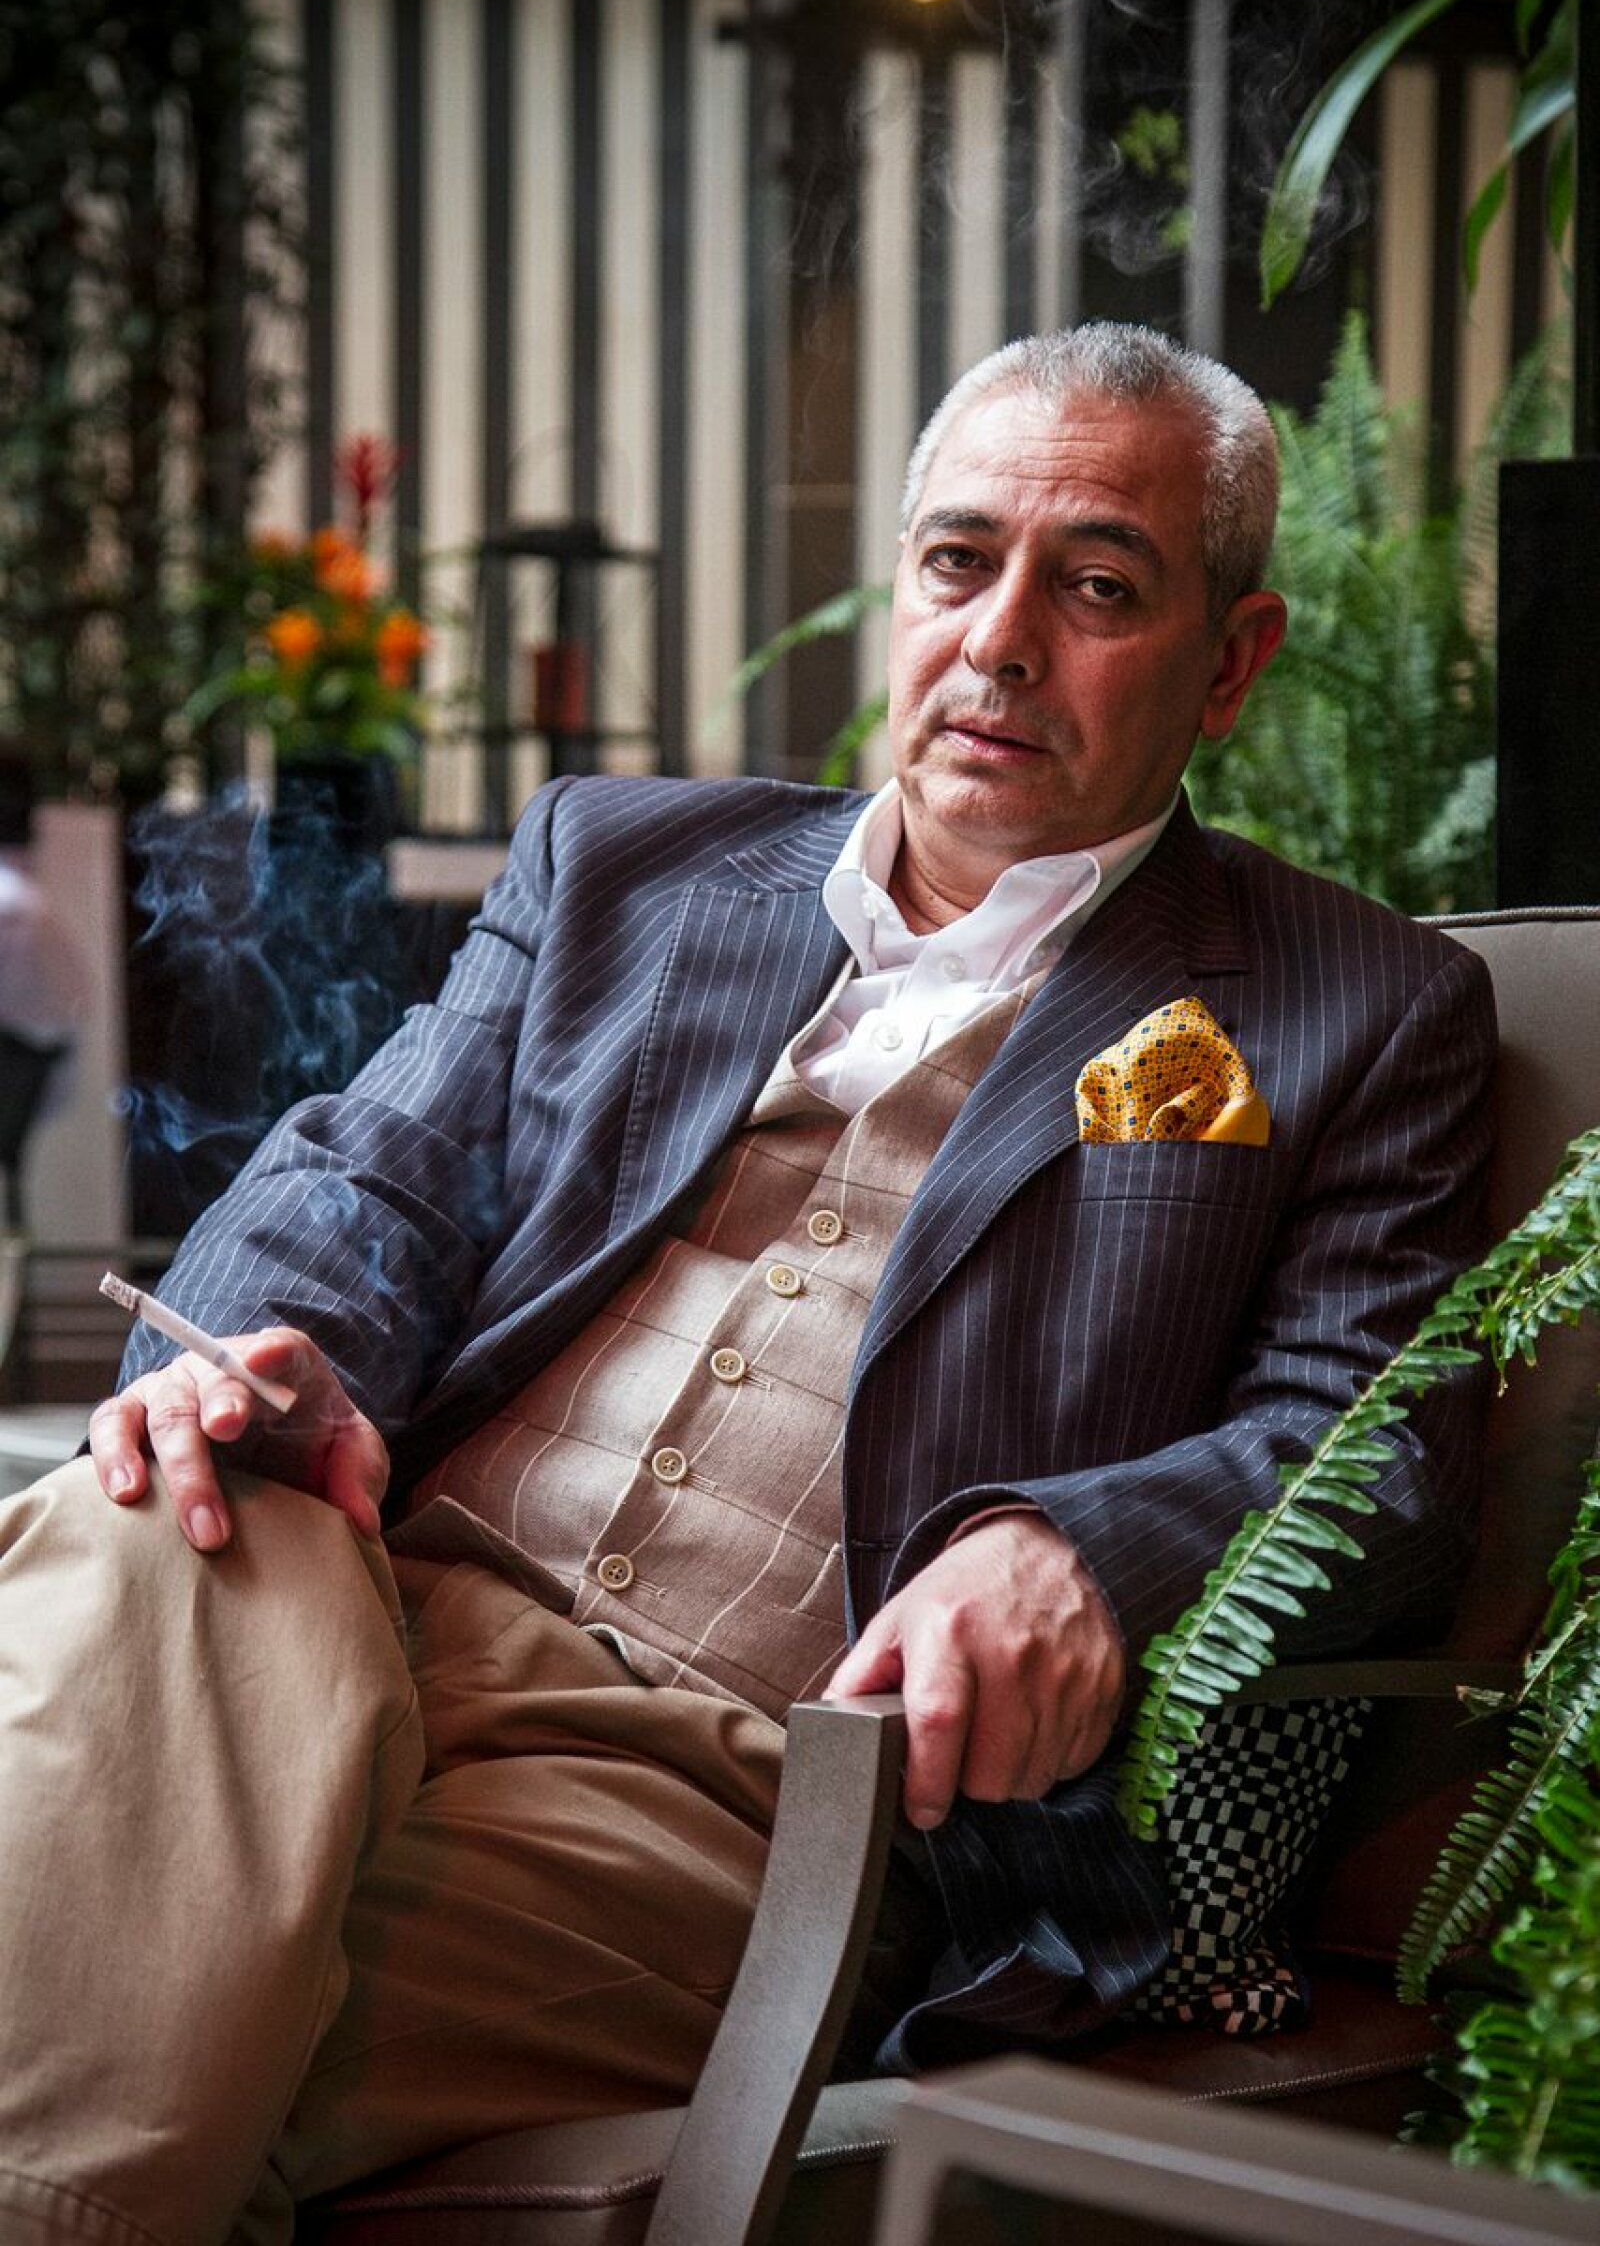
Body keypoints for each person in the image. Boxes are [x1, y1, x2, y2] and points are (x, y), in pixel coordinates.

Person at [0, 325, 1496, 2246]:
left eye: (1099, 587)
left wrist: (1086, 1552)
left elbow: (1377, 1450)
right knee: (138, 1511)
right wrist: (261, 1359)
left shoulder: (1360, 1009)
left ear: (1231, 659)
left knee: (143, 2024)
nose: (1001, 640)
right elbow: (367, 1168)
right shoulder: (622, 863)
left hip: (721, 1779)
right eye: (959, 562)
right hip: (333, 1595)